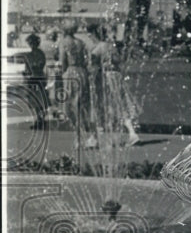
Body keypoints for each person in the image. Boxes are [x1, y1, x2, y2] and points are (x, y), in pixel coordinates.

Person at [90, 25, 141, 146]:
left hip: (106, 78)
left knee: (102, 106)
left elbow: (93, 64)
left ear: (94, 35)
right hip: (116, 76)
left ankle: (95, 137)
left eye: (90, 35)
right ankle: (131, 132)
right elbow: (119, 60)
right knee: (120, 105)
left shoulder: (98, 47)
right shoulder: (110, 46)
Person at [57, 20, 95, 148]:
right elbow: (86, 60)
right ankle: (88, 135)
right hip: (82, 72)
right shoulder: (81, 42)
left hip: (71, 72)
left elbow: (63, 61)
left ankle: (79, 137)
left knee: (71, 107)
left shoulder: (63, 43)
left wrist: (62, 74)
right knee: (82, 105)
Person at [21, 33, 49, 129]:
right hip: (40, 77)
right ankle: (41, 120)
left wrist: (25, 73)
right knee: (40, 99)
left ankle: (39, 120)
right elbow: (41, 65)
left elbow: (28, 68)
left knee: (33, 100)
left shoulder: (29, 55)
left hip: (33, 79)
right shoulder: (41, 53)